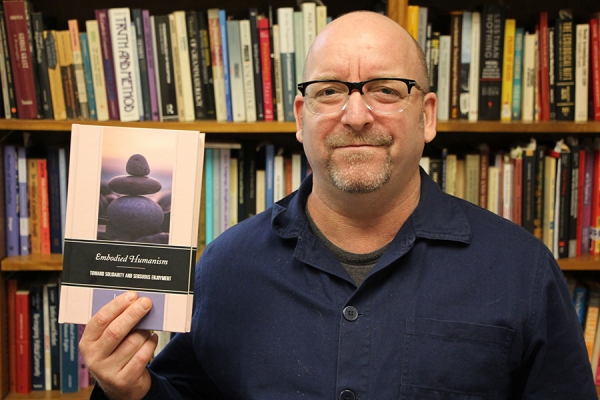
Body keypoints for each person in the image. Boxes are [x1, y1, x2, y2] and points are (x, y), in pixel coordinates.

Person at [81, 11, 597, 399]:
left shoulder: (520, 269)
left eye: (385, 90)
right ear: (301, 116)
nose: (355, 114)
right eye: (330, 91)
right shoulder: (226, 264)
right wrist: (131, 391)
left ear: (428, 116)